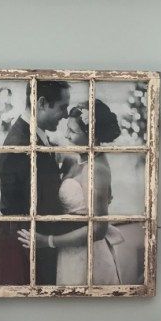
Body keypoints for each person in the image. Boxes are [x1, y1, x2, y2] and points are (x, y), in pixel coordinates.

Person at [17, 100, 123, 285]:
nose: (66, 135)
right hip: (69, 249)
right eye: (67, 128)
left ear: (93, 137)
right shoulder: (80, 160)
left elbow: (98, 229)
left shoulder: (97, 169)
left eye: (73, 132)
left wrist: (48, 241)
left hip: (88, 255)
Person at [0, 80, 82, 286]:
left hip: (36, 248)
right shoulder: (20, 145)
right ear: (41, 103)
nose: (66, 114)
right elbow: (22, 211)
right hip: (25, 255)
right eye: (62, 106)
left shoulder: (35, 137)